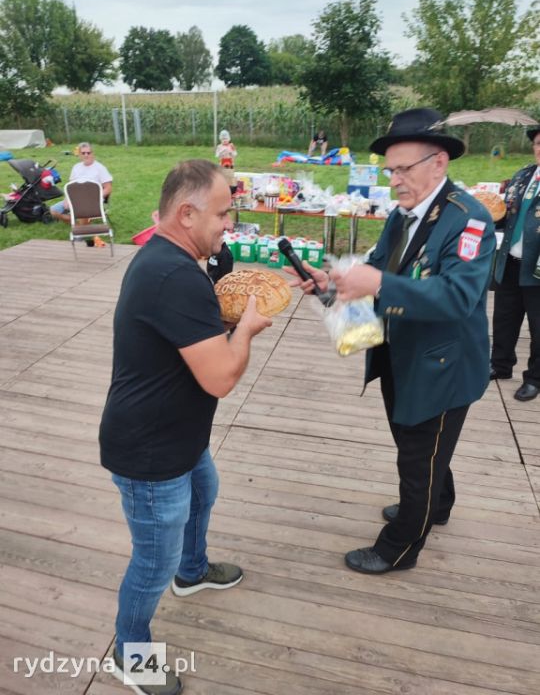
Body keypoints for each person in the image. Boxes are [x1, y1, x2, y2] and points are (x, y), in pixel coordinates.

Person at [286, 108, 495, 575]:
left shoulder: (469, 221)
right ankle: (437, 504)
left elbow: (457, 296)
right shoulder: (403, 215)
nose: (394, 180)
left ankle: (399, 548)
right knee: (420, 446)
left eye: (403, 169)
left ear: (438, 163)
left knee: (417, 459)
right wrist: (330, 283)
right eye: (390, 170)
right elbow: (379, 268)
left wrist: (377, 283)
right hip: (401, 356)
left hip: (442, 367)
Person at [99, 159, 271, 694]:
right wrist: (246, 329)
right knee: (154, 559)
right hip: (150, 449)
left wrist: (229, 315)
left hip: (179, 430)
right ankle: (130, 655)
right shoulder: (175, 276)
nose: (229, 224)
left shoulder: (167, 258)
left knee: (204, 491)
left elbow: (191, 334)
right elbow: (221, 378)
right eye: (222, 214)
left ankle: (192, 573)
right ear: (187, 213)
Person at [489, 125, 540, 402]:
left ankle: (535, 378)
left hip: (538, 266)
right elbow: (508, 212)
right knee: (504, 316)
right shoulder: (523, 175)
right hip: (510, 259)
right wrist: (492, 210)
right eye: (538, 143)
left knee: (538, 325)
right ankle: (500, 364)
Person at [51, 142, 113, 245]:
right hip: (75, 198)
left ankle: (79, 234)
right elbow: (70, 186)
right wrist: (67, 199)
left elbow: (108, 188)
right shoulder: (76, 167)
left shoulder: (100, 168)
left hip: (92, 200)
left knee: (82, 209)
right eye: (83, 153)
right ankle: (79, 226)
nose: (86, 155)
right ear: (79, 155)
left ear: (93, 154)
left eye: (88, 153)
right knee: (54, 210)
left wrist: (97, 198)